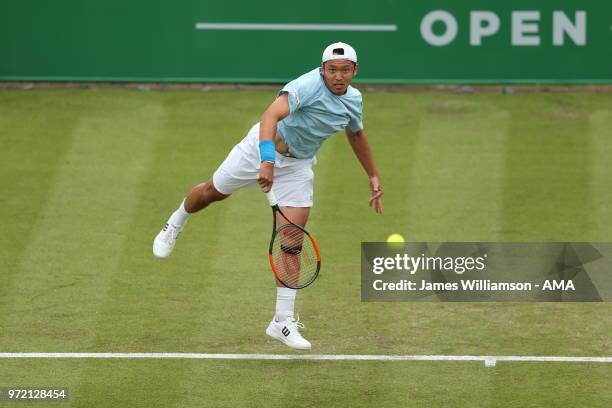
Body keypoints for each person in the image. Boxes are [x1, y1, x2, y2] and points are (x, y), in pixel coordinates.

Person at [153, 42, 383, 349]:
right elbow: (269, 117)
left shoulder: (353, 100)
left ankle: (282, 321)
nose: (338, 76)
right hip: (259, 150)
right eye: (331, 70)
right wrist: (266, 160)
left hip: (298, 165)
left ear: (355, 70)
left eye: (344, 70)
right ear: (322, 68)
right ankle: (175, 222)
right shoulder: (306, 86)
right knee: (212, 192)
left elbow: (356, 133)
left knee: (292, 239)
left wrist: (372, 174)